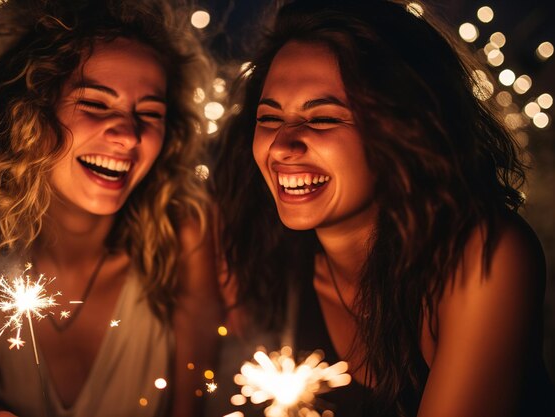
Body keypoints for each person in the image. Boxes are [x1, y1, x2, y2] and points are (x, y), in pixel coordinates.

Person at [213, 0, 555, 416]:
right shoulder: (261, 259)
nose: (283, 146)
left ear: (404, 129)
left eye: (322, 119)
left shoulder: (481, 258)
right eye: (269, 119)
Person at [0, 1, 221, 416]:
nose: (128, 134)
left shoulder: (183, 243)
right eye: (96, 104)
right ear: (32, 112)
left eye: (150, 113)